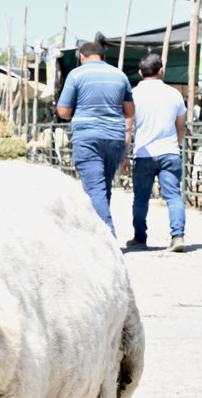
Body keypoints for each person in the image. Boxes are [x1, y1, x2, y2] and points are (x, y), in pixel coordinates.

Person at [55, 39, 134, 235]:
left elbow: (63, 111)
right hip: (115, 137)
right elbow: (129, 111)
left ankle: (108, 237)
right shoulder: (120, 75)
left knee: (95, 190)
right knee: (103, 188)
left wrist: (80, 111)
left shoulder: (76, 75)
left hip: (88, 137)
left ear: (82, 56)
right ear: (102, 56)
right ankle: (100, 234)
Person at [125, 53, 186, 252]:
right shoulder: (174, 94)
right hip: (169, 151)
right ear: (161, 70)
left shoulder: (133, 94)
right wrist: (175, 145)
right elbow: (181, 125)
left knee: (141, 199)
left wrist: (125, 153)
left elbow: (128, 126)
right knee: (173, 196)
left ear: (141, 72)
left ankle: (140, 238)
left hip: (143, 153)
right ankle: (177, 236)